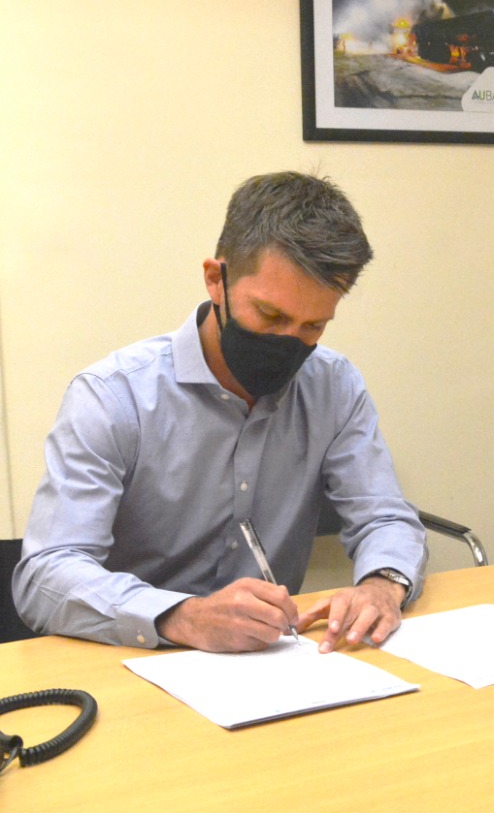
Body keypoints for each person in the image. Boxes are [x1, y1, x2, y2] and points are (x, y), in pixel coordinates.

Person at [13, 172, 427, 655]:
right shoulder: (113, 397)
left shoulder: (333, 386)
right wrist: (184, 616)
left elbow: (385, 518)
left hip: (273, 660)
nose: (289, 342)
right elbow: (46, 574)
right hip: (130, 658)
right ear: (216, 280)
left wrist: (382, 585)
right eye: (270, 315)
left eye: (313, 325)